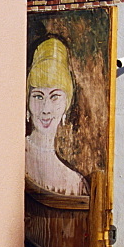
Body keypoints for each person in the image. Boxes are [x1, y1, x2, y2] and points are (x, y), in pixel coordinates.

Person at [26, 38, 87, 196]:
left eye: (55, 97)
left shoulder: (75, 183)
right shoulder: (10, 157)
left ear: (66, 105)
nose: (46, 109)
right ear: (27, 103)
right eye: (38, 96)